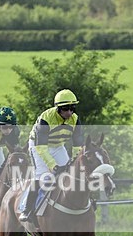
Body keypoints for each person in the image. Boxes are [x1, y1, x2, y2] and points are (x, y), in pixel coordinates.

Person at [19, 89, 84, 222]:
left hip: (58, 146)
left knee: (70, 174)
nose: (69, 112)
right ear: (58, 108)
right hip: (38, 146)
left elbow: (77, 146)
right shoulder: (46, 119)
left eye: (72, 108)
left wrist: (74, 161)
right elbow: (41, 148)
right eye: (65, 109)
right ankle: (27, 209)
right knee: (42, 176)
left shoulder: (75, 120)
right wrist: (53, 166)